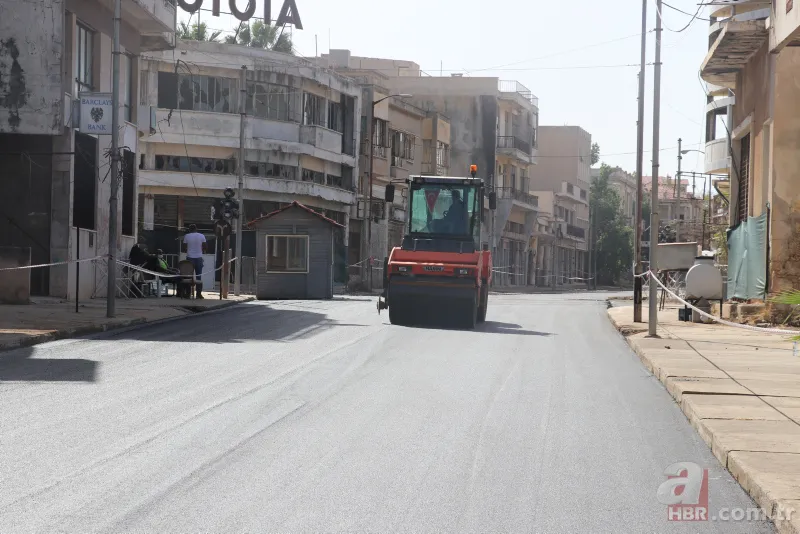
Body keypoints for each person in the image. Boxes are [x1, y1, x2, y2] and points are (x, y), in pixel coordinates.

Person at [183, 224, 207, 299]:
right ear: (196, 229)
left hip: (189, 257)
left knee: (188, 276)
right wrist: (201, 251)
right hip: (199, 257)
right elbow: (205, 246)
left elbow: (184, 247)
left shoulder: (187, 236)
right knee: (199, 276)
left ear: (189, 229)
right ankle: (199, 294)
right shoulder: (201, 236)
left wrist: (189, 250)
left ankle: (188, 294)